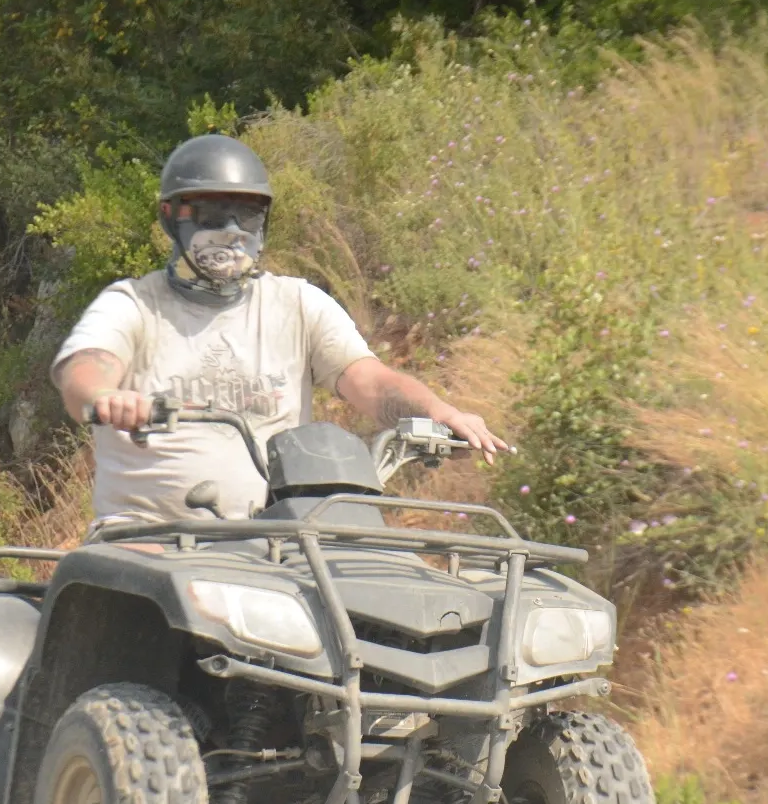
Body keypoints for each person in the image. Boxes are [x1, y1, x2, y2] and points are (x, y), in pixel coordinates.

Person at [52, 133, 508, 525]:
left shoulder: (298, 304)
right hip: (149, 538)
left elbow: (370, 380)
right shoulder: (133, 304)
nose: (232, 229)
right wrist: (105, 397)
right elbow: (84, 370)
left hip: (276, 539)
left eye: (247, 214)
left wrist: (437, 412)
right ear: (172, 217)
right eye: (212, 214)